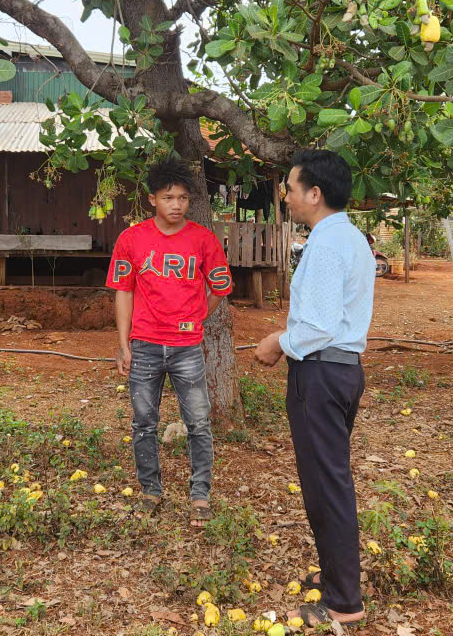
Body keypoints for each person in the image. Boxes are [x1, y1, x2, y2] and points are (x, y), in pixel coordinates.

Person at [253, 149, 374, 627]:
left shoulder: (326, 245)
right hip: (340, 371)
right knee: (329, 480)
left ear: (314, 194)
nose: (285, 196)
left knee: (327, 486)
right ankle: (336, 580)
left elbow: (319, 325)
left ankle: (344, 600)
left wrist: (277, 342)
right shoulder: (350, 239)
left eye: (289, 187)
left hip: (322, 372)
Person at [109, 157, 233, 527]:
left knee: (198, 421)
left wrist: (196, 316)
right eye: (168, 197)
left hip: (186, 348)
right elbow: (123, 292)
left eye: (181, 198)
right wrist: (123, 343)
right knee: (144, 422)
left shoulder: (203, 239)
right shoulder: (132, 239)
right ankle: (151, 490)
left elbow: (220, 287)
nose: (176, 205)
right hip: (144, 345)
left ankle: (200, 496)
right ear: (152, 199)